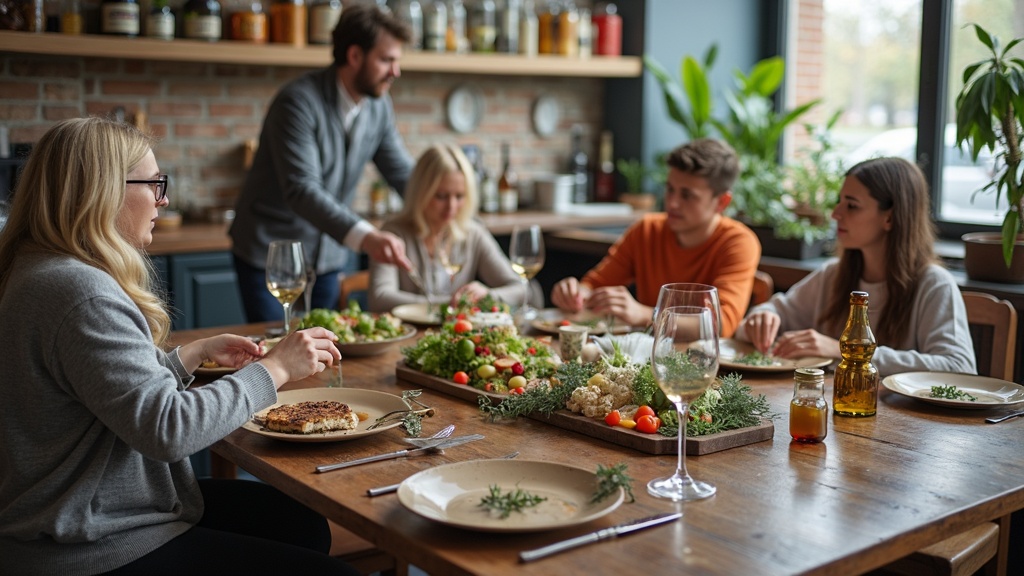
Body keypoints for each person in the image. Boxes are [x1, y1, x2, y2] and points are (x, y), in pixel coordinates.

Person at [0, 117, 355, 575]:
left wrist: (190, 354)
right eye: (153, 183)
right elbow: (167, 430)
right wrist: (277, 369)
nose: (163, 199)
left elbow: (103, 396)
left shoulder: (38, 271)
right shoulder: (82, 293)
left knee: (302, 522)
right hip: (91, 544)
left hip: (82, 513)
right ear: (102, 190)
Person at [230, 2, 416, 322]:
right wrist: (367, 236)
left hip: (329, 258)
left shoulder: (378, 106)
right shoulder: (298, 101)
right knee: (276, 352)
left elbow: (401, 172)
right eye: (386, 60)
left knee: (319, 355)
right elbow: (302, 189)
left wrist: (448, 204)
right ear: (355, 55)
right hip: (273, 259)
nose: (395, 72)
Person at [735, 156, 976, 376]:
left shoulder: (934, 284)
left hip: (906, 423)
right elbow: (762, 319)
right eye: (839, 202)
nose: (835, 214)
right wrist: (762, 318)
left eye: (851, 205)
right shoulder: (832, 274)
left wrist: (846, 351)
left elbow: (959, 367)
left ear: (890, 218)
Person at [550, 138, 760, 337]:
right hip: (647, 361)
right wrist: (576, 293)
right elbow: (596, 284)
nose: (673, 203)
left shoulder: (738, 242)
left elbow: (720, 323)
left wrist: (645, 314)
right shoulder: (646, 230)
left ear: (722, 202)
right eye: (670, 189)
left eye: (687, 195)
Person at [368, 143, 527, 311]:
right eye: (441, 196)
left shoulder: (473, 233)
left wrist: (488, 295)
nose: (451, 207)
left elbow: (520, 289)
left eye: (459, 196)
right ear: (421, 192)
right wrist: (447, 304)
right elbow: (380, 298)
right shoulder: (393, 233)